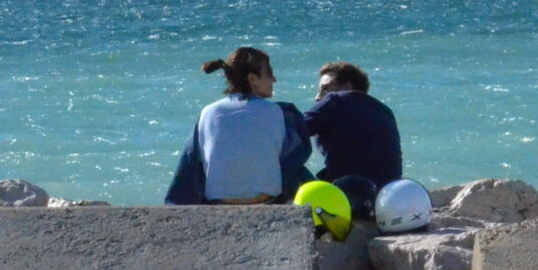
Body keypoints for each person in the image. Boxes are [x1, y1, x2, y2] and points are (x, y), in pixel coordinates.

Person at [165, 46, 311, 205]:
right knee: (297, 164)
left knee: (197, 157)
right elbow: (299, 155)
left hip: (219, 202)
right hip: (268, 201)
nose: (274, 79)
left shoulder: (208, 112)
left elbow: (188, 166)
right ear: (252, 79)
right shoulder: (281, 112)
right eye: (269, 73)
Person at [304, 62, 403, 190]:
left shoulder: (336, 100)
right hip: (387, 191)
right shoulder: (384, 111)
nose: (318, 97)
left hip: (347, 190)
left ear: (347, 87)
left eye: (325, 89)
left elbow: (294, 129)